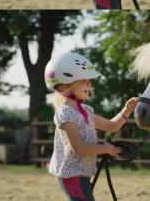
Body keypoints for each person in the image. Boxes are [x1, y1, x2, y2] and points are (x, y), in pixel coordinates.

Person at [45, 52, 138, 201]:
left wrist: (126, 110)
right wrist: (106, 149)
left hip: (80, 174)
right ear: (67, 83)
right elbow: (78, 148)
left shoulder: (86, 111)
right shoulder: (66, 114)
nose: (89, 84)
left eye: (89, 81)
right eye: (84, 80)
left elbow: (111, 125)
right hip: (72, 175)